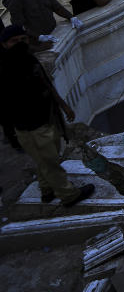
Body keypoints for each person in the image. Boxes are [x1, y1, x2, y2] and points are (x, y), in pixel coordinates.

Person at [0, 24, 96, 206]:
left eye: (23, 39)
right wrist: (10, 134)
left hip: (45, 119)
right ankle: (69, 195)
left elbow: (47, 85)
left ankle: (47, 190)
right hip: (29, 126)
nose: (20, 43)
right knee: (50, 162)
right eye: (15, 41)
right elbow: (4, 109)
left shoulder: (29, 60)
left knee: (44, 159)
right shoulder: (5, 70)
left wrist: (64, 106)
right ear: (5, 44)